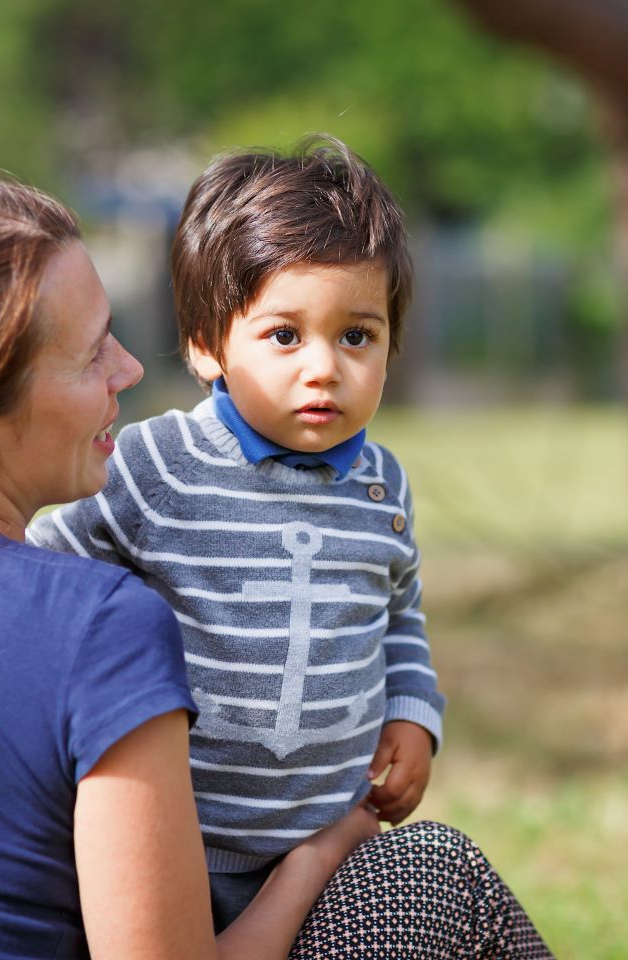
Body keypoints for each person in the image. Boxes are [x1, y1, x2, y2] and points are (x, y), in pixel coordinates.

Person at [0, 166, 553, 958]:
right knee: (432, 872)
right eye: (92, 354)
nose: (130, 368)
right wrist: (323, 849)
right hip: (251, 871)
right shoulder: (96, 622)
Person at [28, 136, 446, 929]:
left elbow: (399, 616)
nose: (322, 368)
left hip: (329, 842)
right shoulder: (159, 465)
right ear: (206, 345)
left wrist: (413, 713)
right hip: (177, 849)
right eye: (284, 336)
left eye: (356, 335)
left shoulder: (381, 484)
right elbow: (43, 565)